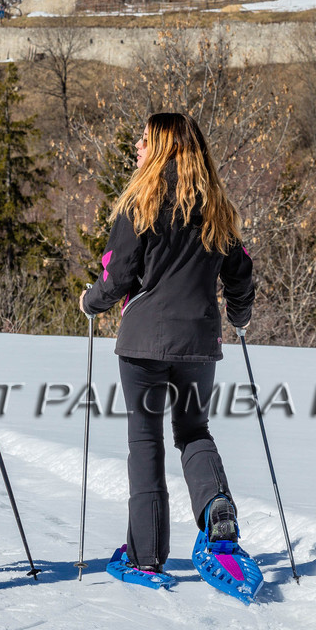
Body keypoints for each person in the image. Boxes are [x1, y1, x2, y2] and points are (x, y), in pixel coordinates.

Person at [81, 113, 256, 577]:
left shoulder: (139, 203)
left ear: (160, 147)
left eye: (143, 141)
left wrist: (91, 302)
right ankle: (217, 507)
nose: (136, 148)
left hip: (142, 342)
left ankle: (146, 555)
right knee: (193, 431)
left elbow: (116, 277)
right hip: (199, 339)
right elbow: (240, 274)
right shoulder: (216, 206)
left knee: (145, 441)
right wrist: (238, 316)